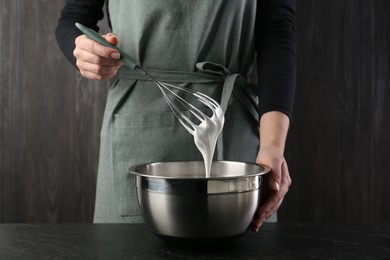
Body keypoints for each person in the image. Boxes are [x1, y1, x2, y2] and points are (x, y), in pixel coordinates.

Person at [56, 0, 296, 232]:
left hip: (235, 130)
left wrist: (272, 148)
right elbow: (74, 18)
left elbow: (276, 30)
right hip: (136, 133)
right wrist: (81, 48)